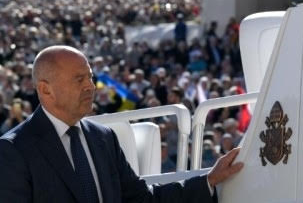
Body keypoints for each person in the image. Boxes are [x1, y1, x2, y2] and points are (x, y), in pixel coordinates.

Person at [0, 45, 243, 202]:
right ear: (45, 90)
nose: (90, 86)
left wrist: (208, 181)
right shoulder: (14, 150)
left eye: (90, 77)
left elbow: (141, 199)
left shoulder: (102, 138)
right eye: (79, 79)